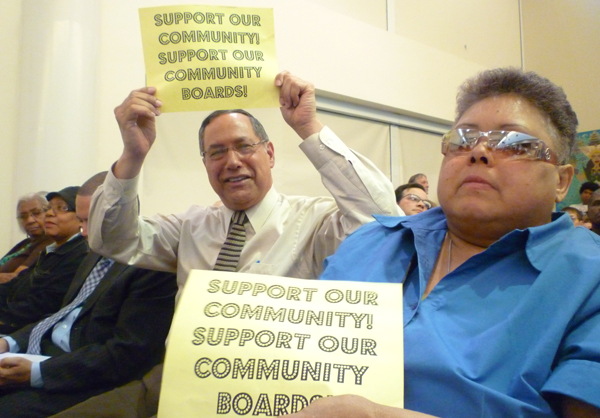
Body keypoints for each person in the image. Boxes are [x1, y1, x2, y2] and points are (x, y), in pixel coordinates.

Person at [63, 72, 399, 418]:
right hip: (178, 383)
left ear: (269, 153)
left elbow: (383, 217)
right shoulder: (190, 227)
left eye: (244, 146)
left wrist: (308, 126)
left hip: (271, 395)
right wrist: (132, 154)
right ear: (206, 164)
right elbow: (111, 239)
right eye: (217, 152)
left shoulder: (315, 222)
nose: (232, 161)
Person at [303, 68, 600, 417]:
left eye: (515, 144)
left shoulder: (587, 278)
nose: (479, 152)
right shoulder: (370, 241)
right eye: (463, 139)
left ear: (562, 182)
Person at [0, 172, 177, 418]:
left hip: (82, 375)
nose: (83, 232)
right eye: (82, 221)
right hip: (42, 354)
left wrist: (37, 372)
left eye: (91, 221)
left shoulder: (153, 267)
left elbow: (126, 355)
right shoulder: (92, 252)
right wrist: (9, 342)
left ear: (124, 217)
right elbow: (62, 314)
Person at [0, 187, 88, 335]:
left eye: (61, 208)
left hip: (29, 332)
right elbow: (15, 285)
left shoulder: (80, 254)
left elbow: (44, 305)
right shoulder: (51, 251)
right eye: (48, 208)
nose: (49, 213)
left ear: (81, 218)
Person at [0, 193, 54, 283]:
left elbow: (17, 277)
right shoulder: (26, 243)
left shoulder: (49, 241)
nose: (30, 220)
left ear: (48, 212)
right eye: (23, 216)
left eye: (36, 213)